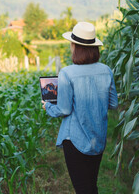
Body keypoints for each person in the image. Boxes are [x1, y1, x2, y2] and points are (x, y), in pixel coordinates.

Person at [42, 21, 118, 194]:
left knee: (83, 189)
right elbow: (113, 103)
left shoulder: (67, 73)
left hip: (75, 140)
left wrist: (48, 107)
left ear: (76, 46)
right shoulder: (106, 70)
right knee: (91, 185)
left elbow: (64, 109)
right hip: (98, 138)